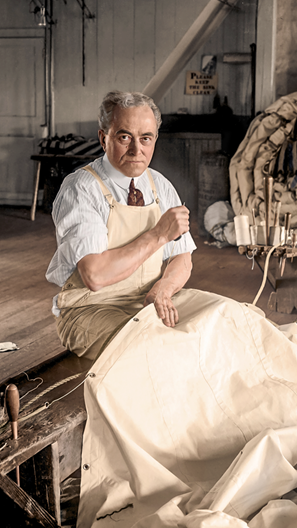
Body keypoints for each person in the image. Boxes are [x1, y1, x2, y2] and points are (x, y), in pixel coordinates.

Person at [46, 90, 196, 360]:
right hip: (91, 309)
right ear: (104, 138)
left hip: (149, 300)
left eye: (146, 139)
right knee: (155, 348)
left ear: (154, 141)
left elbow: (182, 258)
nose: (136, 150)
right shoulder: (81, 188)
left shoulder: (160, 185)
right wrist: (159, 234)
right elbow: (95, 276)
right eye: (125, 137)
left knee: (226, 320)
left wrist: (163, 289)